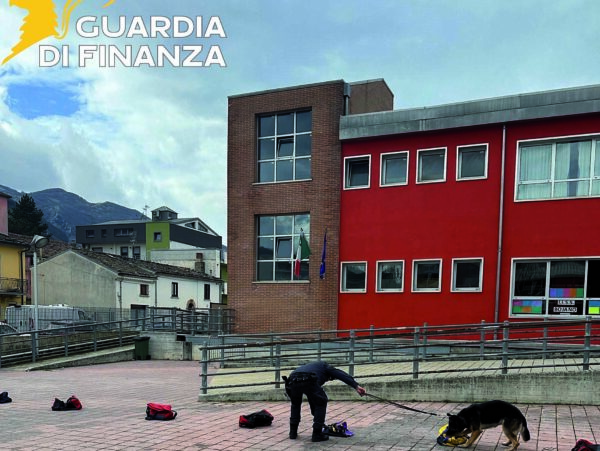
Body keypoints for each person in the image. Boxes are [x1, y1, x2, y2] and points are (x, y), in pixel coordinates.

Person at [283, 360, 366, 442]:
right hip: (308, 378)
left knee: (295, 404)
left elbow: (312, 398)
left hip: (292, 379)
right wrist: (356, 386)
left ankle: (293, 433)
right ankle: (317, 434)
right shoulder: (325, 366)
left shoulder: (314, 367)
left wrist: (316, 414)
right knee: (321, 402)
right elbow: (341, 374)